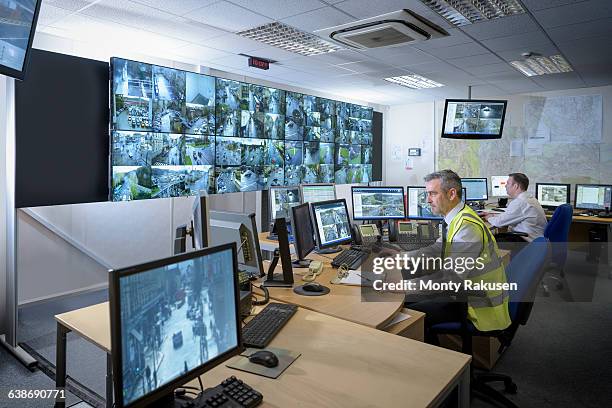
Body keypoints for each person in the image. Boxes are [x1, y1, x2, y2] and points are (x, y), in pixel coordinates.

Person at [404, 170, 511, 343]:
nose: (428, 200)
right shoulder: (457, 217)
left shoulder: (467, 227)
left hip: (478, 305)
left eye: (432, 194)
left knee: (412, 316)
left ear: (452, 193)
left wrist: (405, 286)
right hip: (466, 294)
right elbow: (437, 248)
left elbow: (451, 278)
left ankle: (440, 367)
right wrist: (402, 258)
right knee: (408, 300)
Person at [482, 173, 547, 242]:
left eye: (508, 183)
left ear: (516, 186)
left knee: (488, 240)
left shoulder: (520, 202)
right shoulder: (528, 198)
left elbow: (499, 223)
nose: (505, 186)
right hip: (535, 239)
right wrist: (494, 215)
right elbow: (509, 216)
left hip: (526, 241)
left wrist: (489, 217)